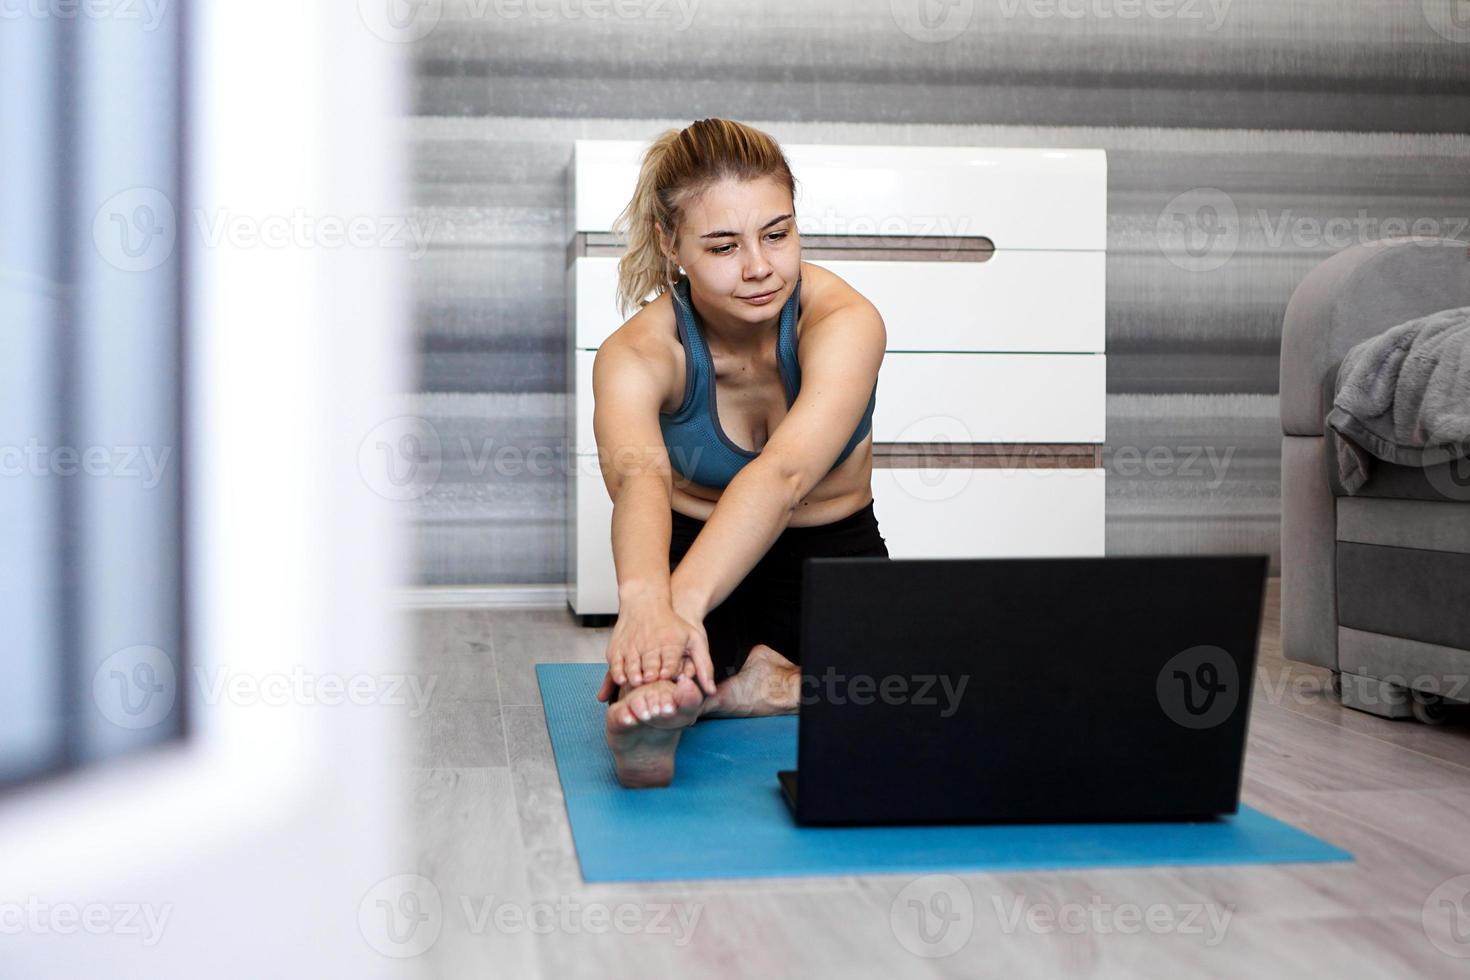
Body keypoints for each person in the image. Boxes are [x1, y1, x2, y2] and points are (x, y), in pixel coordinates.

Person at [589, 117, 890, 787]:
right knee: (654, 683)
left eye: (777, 235)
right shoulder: (637, 355)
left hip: (828, 551)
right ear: (671, 244)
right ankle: (680, 698)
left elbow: (783, 475)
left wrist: (679, 611)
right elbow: (638, 482)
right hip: (697, 551)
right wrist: (648, 608)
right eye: (723, 246)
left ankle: (754, 689)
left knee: (923, 685)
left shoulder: (847, 321)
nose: (759, 267)